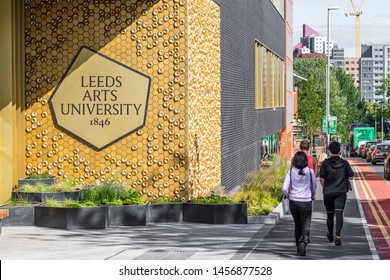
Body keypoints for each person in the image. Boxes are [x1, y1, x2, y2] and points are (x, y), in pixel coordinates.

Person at [319, 141, 354, 246]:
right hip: (341, 192)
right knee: (339, 214)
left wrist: (326, 187)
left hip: (328, 192)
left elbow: (321, 179)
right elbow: (351, 176)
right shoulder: (345, 163)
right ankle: (338, 236)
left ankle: (330, 234)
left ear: (329, 150)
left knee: (330, 214)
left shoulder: (325, 163)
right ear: (340, 150)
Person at [282, 151, 317, 256]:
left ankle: (298, 246)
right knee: (306, 224)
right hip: (306, 201)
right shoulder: (310, 172)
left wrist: (288, 194)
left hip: (293, 201)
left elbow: (284, 188)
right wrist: (313, 195)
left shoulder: (290, 172)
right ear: (306, 161)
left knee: (297, 224)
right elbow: (314, 186)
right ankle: (304, 242)